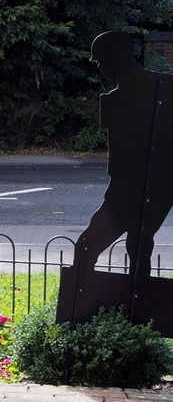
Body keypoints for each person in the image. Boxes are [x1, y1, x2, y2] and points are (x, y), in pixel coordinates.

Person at [72, 31, 173, 283]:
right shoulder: (116, 99)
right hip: (133, 187)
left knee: (118, 244)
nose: (101, 68)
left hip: (149, 186)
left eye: (103, 60)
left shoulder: (163, 88)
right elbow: (120, 159)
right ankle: (135, 303)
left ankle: (134, 302)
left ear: (122, 56)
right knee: (136, 243)